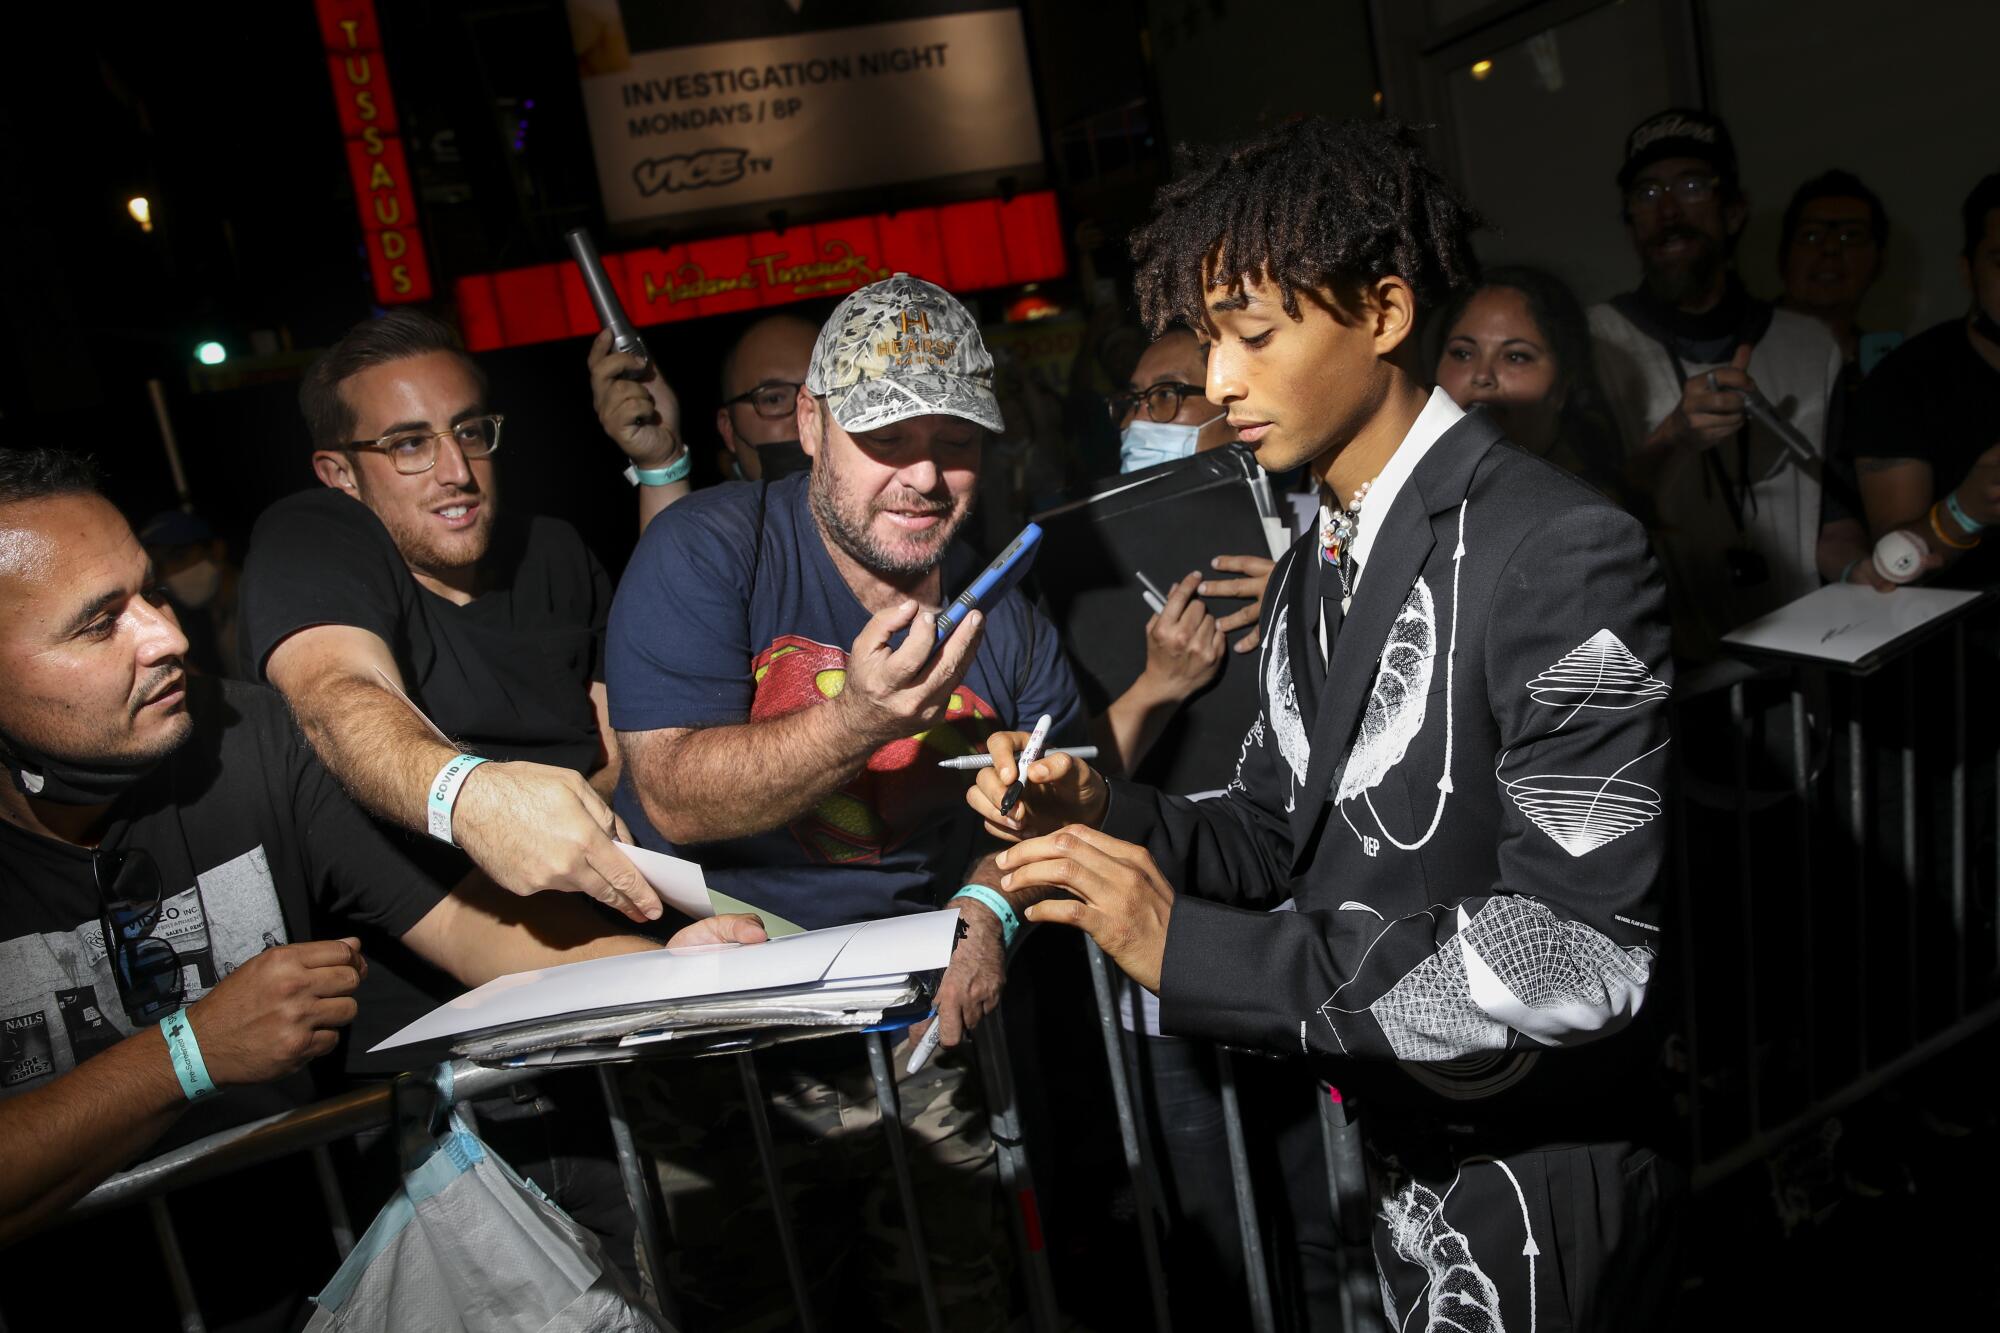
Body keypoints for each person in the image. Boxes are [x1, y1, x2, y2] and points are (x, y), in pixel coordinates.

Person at [970, 117, 1683, 1330]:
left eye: (1254, 334)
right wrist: (1107, 811)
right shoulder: (1316, 553)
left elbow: (1580, 956)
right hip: (1399, 1159)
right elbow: (1268, 830)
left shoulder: (1556, 546)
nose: (1217, 381)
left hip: (1529, 1174)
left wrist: (1191, 953)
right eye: (1208, 341)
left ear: (1386, 311)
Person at [0, 448, 760, 1321]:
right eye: (100, 624)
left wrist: (663, 970)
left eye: (150, 592)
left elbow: (473, 925)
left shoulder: (247, 737)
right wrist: (190, 1051)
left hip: (339, 1283)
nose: (165, 634)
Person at [607, 273, 1082, 1329]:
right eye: (887, 436)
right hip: (723, 1043)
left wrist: (991, 905)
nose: (923, 475)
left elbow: (1056, 806)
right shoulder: (706, 550)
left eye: (954, 440)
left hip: (913, 1037)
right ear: (813, 425)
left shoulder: (1003, 606)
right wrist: (859, 718)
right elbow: (673, 793)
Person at [1587, 109, 1860, 654]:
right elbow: (1583, 527)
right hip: (1669, 669)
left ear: (1734, 211)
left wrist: (1875, 576)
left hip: (1805, 657)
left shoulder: (1810, 345)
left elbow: (1835, 525)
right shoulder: (1593, 344)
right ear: (1629, 224)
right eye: (1646, 193)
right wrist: (1673, 439)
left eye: (1691, 185)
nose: (1666, 210)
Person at [1847, 172, 2000, 589]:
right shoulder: (1905, 381)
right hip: (1963, 641)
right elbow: (1893, 569)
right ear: (1969, 272)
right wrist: (1967, 509)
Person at [590, 313, 817, 532]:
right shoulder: (725, 536)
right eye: (773, 398)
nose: (805, 416)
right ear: (728, 430)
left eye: (819, 393)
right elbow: (675, 564)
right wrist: (660, 463)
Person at [1434, 265, 1629, 509]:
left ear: (1563, 385)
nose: (1483, 375)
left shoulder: (1587, 513)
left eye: (1516, 357)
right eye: (1462, 353)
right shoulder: (1411, 487)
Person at [137, 509, 241, 678]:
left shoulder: (262, 603)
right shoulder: (209, 620)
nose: (170, 573)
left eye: (178, 557)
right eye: (160, 567)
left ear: (216, 550)